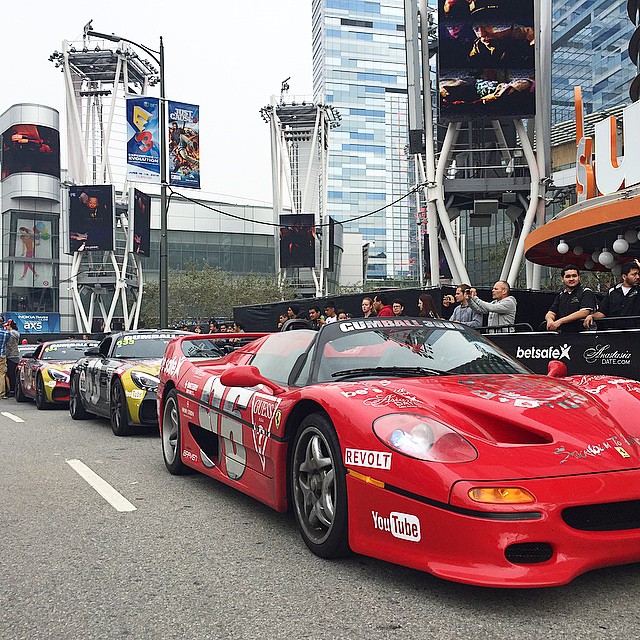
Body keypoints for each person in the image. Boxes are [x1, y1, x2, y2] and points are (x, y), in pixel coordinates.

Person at [583, 262, 640, 330]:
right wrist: (591, 316)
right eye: (634, 274)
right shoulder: (612, 291)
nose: (637, 277)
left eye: (638, 274)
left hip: (635, 332)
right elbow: (603, 312)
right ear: (624, 276)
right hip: (615, 333)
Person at [545, 265, 597, 333]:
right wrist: (550, 321)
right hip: (564, 334)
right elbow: (551, 313)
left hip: (584, 334)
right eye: (568, 276)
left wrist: (560, 321)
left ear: (579, 278)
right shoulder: (561, 295)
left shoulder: (586, 292)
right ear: (562, 279)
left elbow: (584, 312)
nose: (571, 279)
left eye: (574, 276)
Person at [5, 320, 20, 396]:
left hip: (10, 356)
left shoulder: (10, 335)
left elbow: (9, 346)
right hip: (16, 356)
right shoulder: (17, 334)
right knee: (14, 374)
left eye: (7, 326)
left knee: (10, 374)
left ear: (9, 326)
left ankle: (11, 391)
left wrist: (5, 355)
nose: (6, 327)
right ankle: (14, 390)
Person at [0, 316, 10, 399]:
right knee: (2, 374)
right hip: (2, 355)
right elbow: (6, 342)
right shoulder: (6, 333)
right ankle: (1, 393)